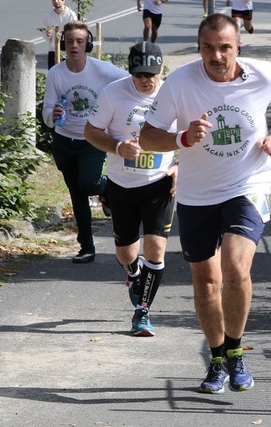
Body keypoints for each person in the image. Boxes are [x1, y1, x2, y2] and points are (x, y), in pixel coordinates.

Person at [139, 13, 271, 394]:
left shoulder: (261, 74)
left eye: (225, 47)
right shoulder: (180, 83)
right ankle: (216, 359)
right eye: (209, 48)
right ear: (199, 48)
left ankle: (235, 350)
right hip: (197, 194)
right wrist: (182, 139)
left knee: (234, 267)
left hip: (248, 184)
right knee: (205, 280)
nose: (217, 55)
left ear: (238, 46)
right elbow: (148, 136)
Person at [84, 41, 177, 336]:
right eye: (139, 75)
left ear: (161, 68)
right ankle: (133, 273)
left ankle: (142, 312)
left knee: (156, 249)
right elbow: (91, 131)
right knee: (126, 254)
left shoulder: (174, 93)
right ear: (130, 72)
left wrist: (180, 167)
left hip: (159, 183)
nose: (146, 80)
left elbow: (194, 134)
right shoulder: (113, 93)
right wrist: (117, 146)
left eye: (151, 74)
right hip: (121, 185)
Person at [43, 20, 128, 263]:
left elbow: (131, 82)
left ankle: (106, 189)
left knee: (89, 183)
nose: (74, 46)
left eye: (80, 41)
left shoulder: (103, 71)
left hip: (92, 138)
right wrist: (52, 116)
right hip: (63, 142)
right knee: (77, 193)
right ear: (63, 44)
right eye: (69, 42)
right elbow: (47, 112)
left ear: (87, 44)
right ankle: (87, 247)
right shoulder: (56, 73)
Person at [41, 0, 77, 70]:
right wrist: (47, 34)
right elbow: (44, 33)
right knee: (53, 75)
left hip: (67, 51)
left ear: (63, 0)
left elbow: (75, 32)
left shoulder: (70, 15)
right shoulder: (48, 16)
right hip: (53, 51)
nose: (56, 1)